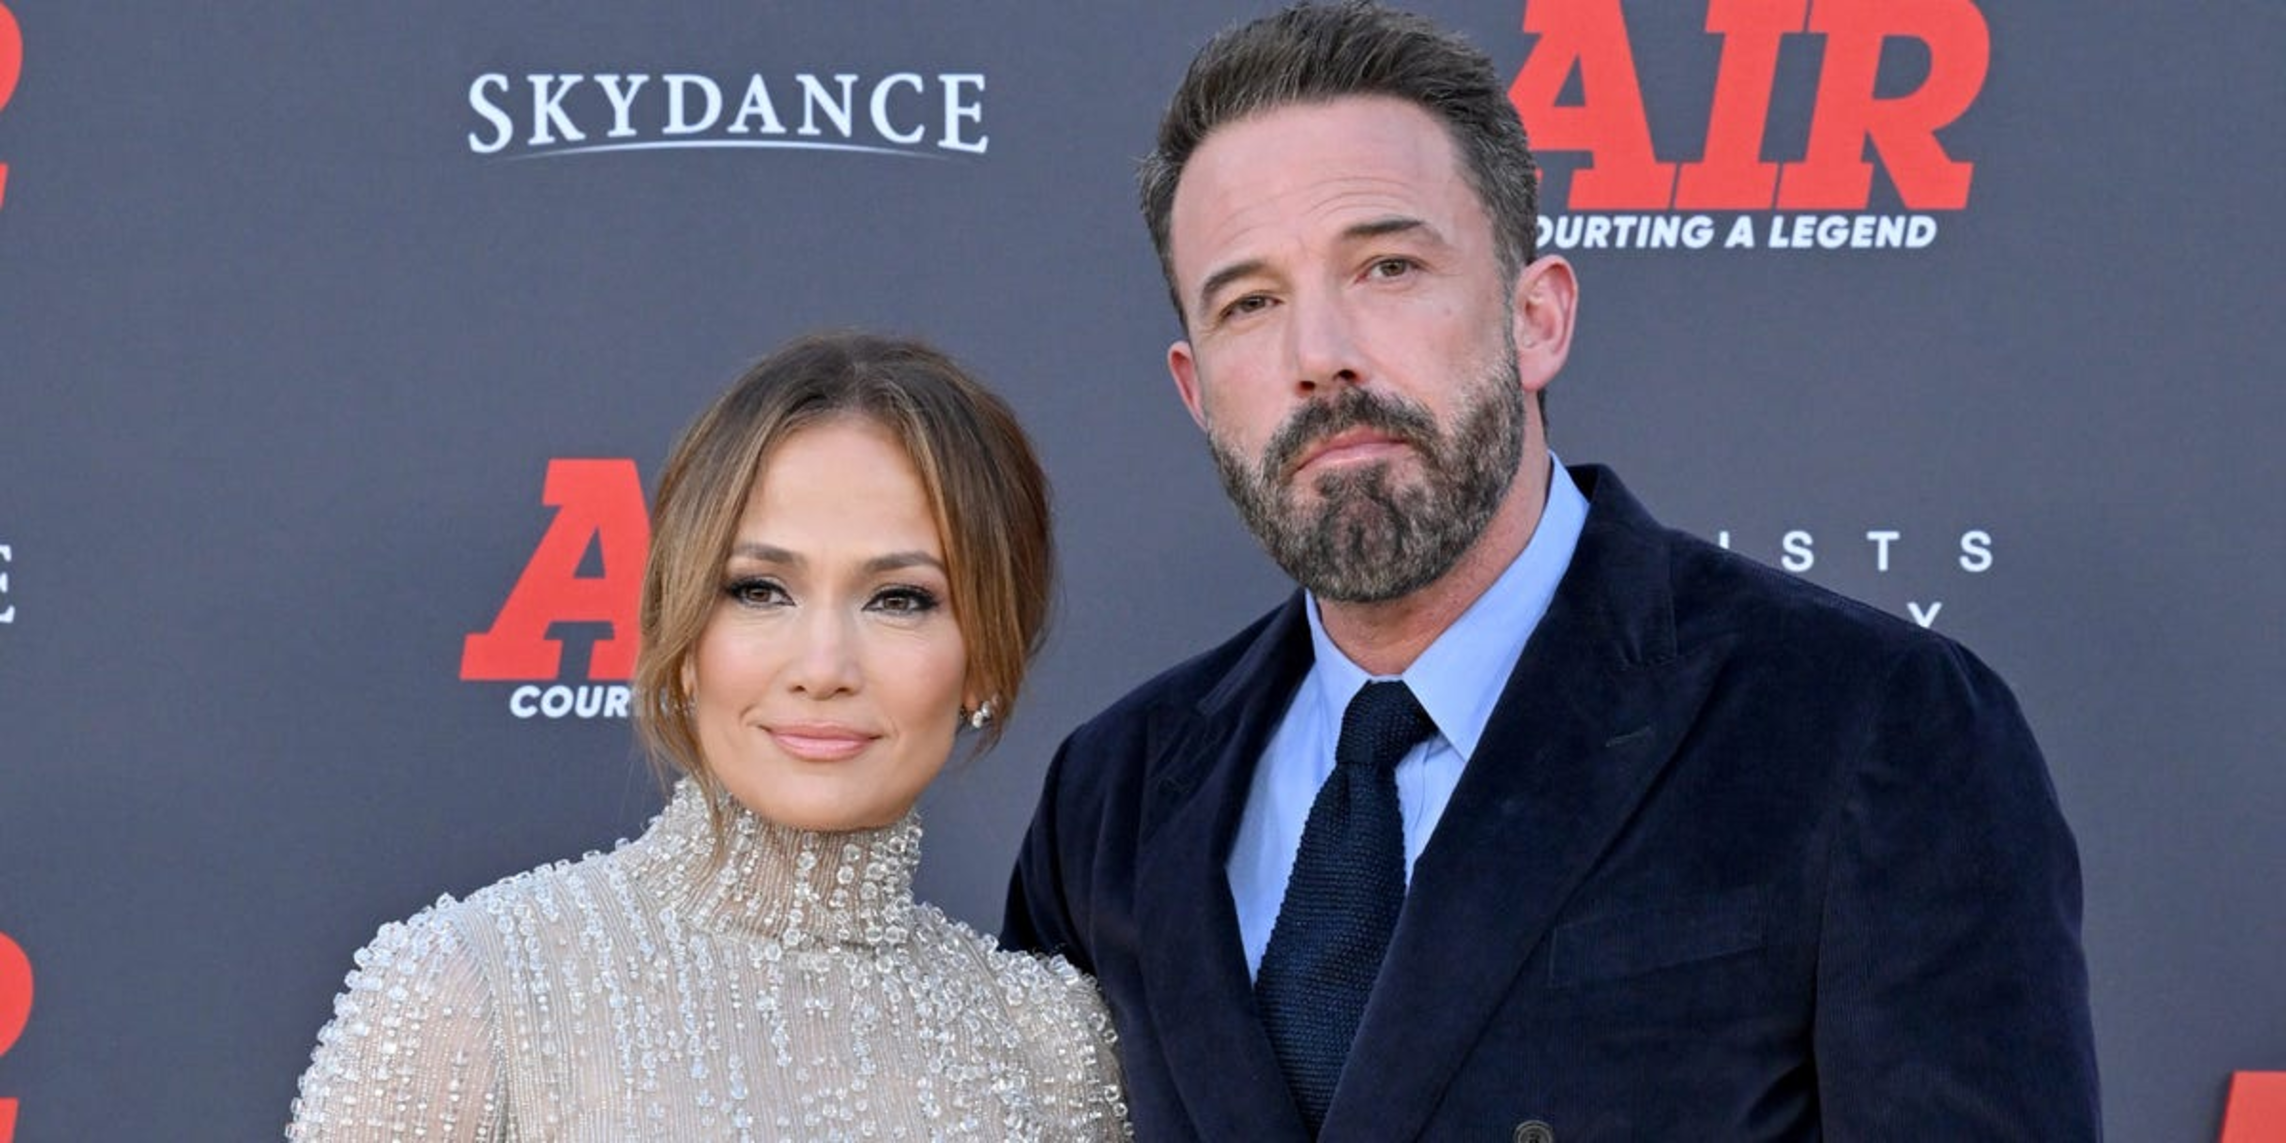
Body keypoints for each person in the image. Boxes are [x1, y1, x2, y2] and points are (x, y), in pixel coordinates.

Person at [1002, 3, 2099, 1139]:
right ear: (1196, 390)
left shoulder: (1867, 725)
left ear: (1537, 318)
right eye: (1250, 303)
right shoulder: (1115, 798)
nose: (1318, 354)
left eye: (1387, 267)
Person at [289, 333, 1128, 1140]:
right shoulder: (470, 989)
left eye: (900, 598)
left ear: (985, 657)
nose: (822, 666)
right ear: (684, 635)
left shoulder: (1052, 1044)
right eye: (759, 590)